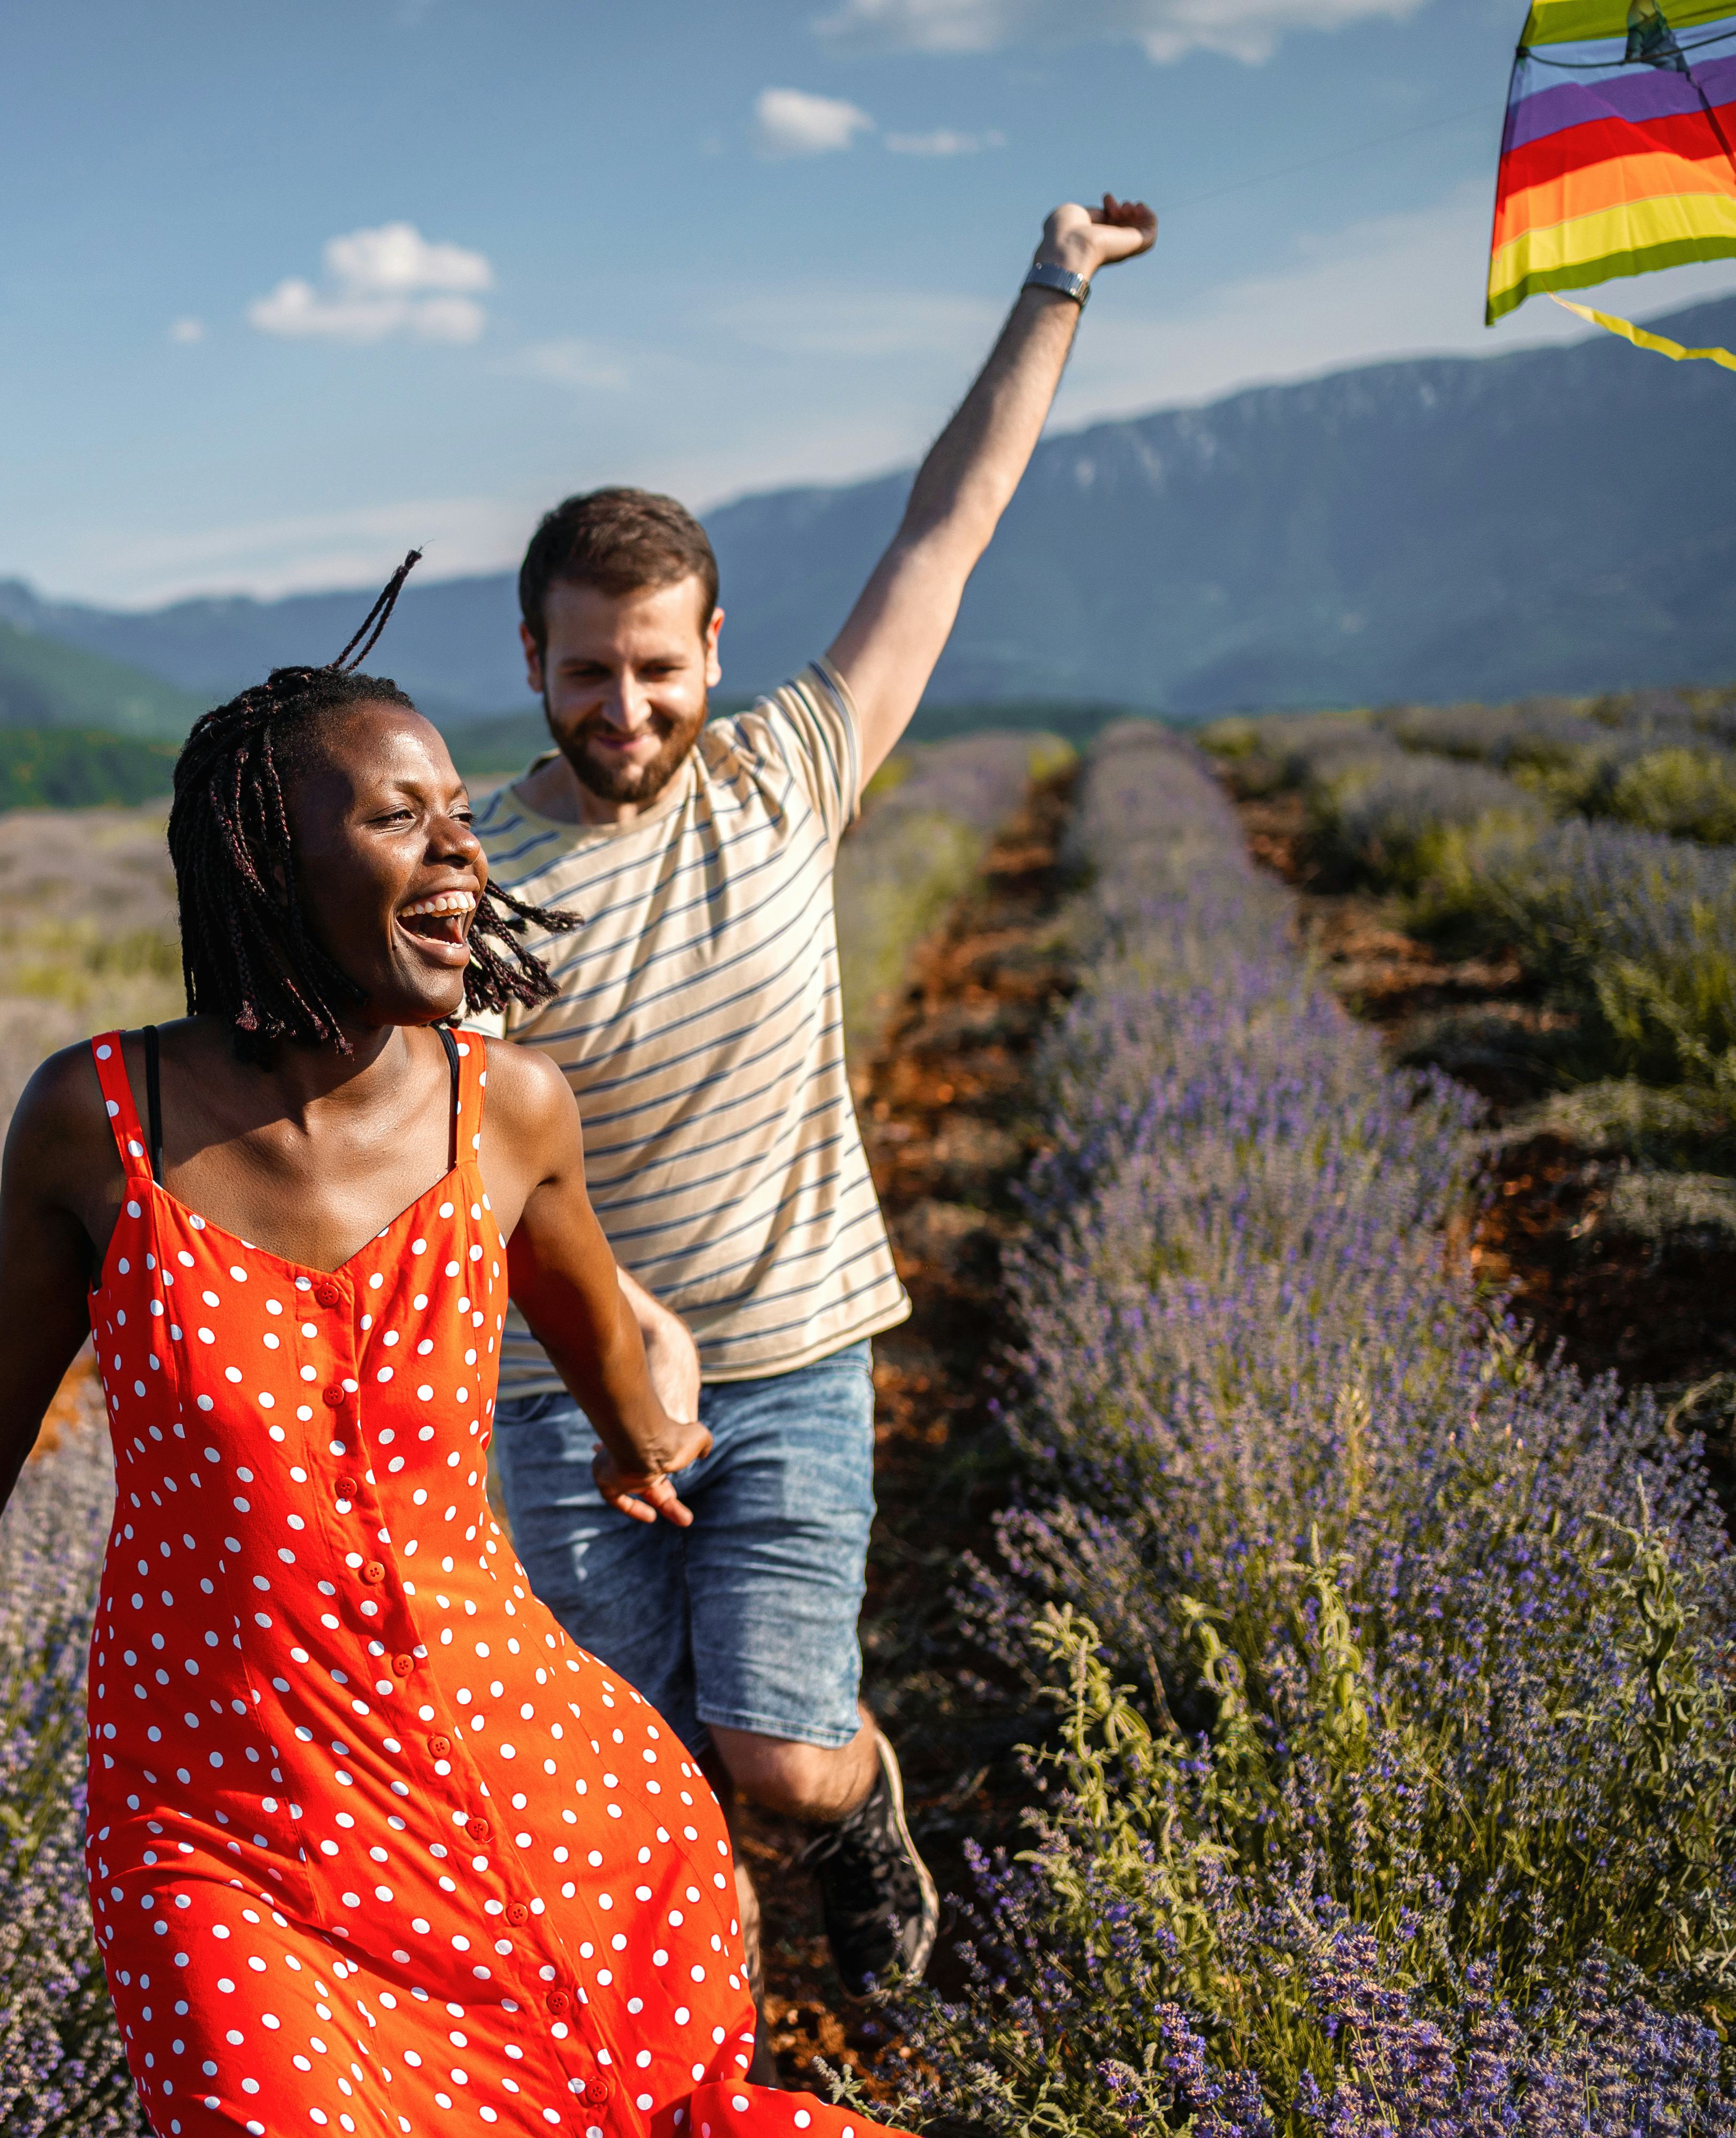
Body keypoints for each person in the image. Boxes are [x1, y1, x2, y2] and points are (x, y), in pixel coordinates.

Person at [0, 574, 919, 2138]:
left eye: (461, 812)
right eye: (402, 819)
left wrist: (645, 1440)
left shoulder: (504, 1107)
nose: (464, 848)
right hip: (218, 1816)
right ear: (269, 866)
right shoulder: (98, 1125)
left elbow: (587, 1319)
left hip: (500, 1767)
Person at [469, 195, 1160, 1996]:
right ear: (530, 661)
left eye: (658, 665)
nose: (625, 703)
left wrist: (1054, 283)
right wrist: (604, 1338)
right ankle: (694, 2043)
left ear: (712, 649)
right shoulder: (462, 875)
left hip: (787, 1355)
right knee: (630, 1772)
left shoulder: (788, 776)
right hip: (559, 1395)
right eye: (588, 670)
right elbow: (423, 1150)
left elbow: (954, 522)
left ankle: (859, 1813)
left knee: (773, 1750)